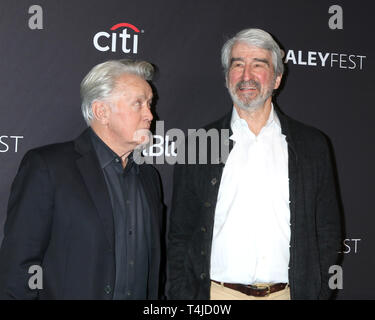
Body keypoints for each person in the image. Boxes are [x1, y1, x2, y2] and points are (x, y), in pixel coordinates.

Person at [167, 28, 342, 300]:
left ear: (277, 78)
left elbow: (328, 230)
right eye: (238, 65)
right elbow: (180, 233)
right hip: (216, 295)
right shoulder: (198, 145)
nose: (246, 76)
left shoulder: (312, 146)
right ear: (227, 78)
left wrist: (317, 292)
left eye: (258, 65)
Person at [0, 59, 164, 299]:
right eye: (138, 104)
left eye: (149, 103)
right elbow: (17, 268)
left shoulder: (149, 177)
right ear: (101, 111)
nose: (150, 115)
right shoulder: (48, 168)